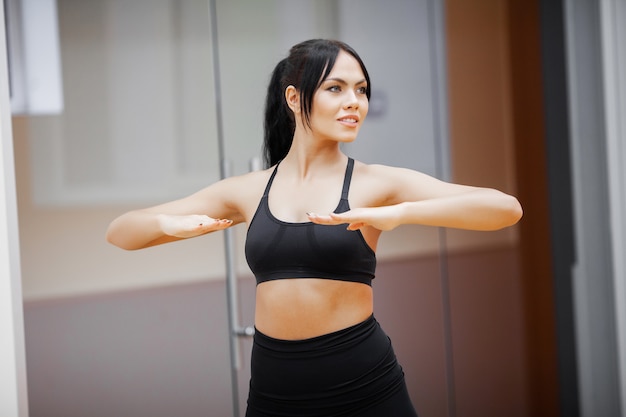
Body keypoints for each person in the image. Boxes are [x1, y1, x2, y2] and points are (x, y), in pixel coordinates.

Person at [106, 39, 523, 417]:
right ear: (293, 97)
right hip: (274, 391)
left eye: (361, 90)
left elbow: (505, 209)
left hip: (365, 386)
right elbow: (121, 232)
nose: (354, 102)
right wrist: (168, 225)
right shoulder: (249, 190)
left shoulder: (376, 183)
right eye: (336, 88)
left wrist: (402, 214)